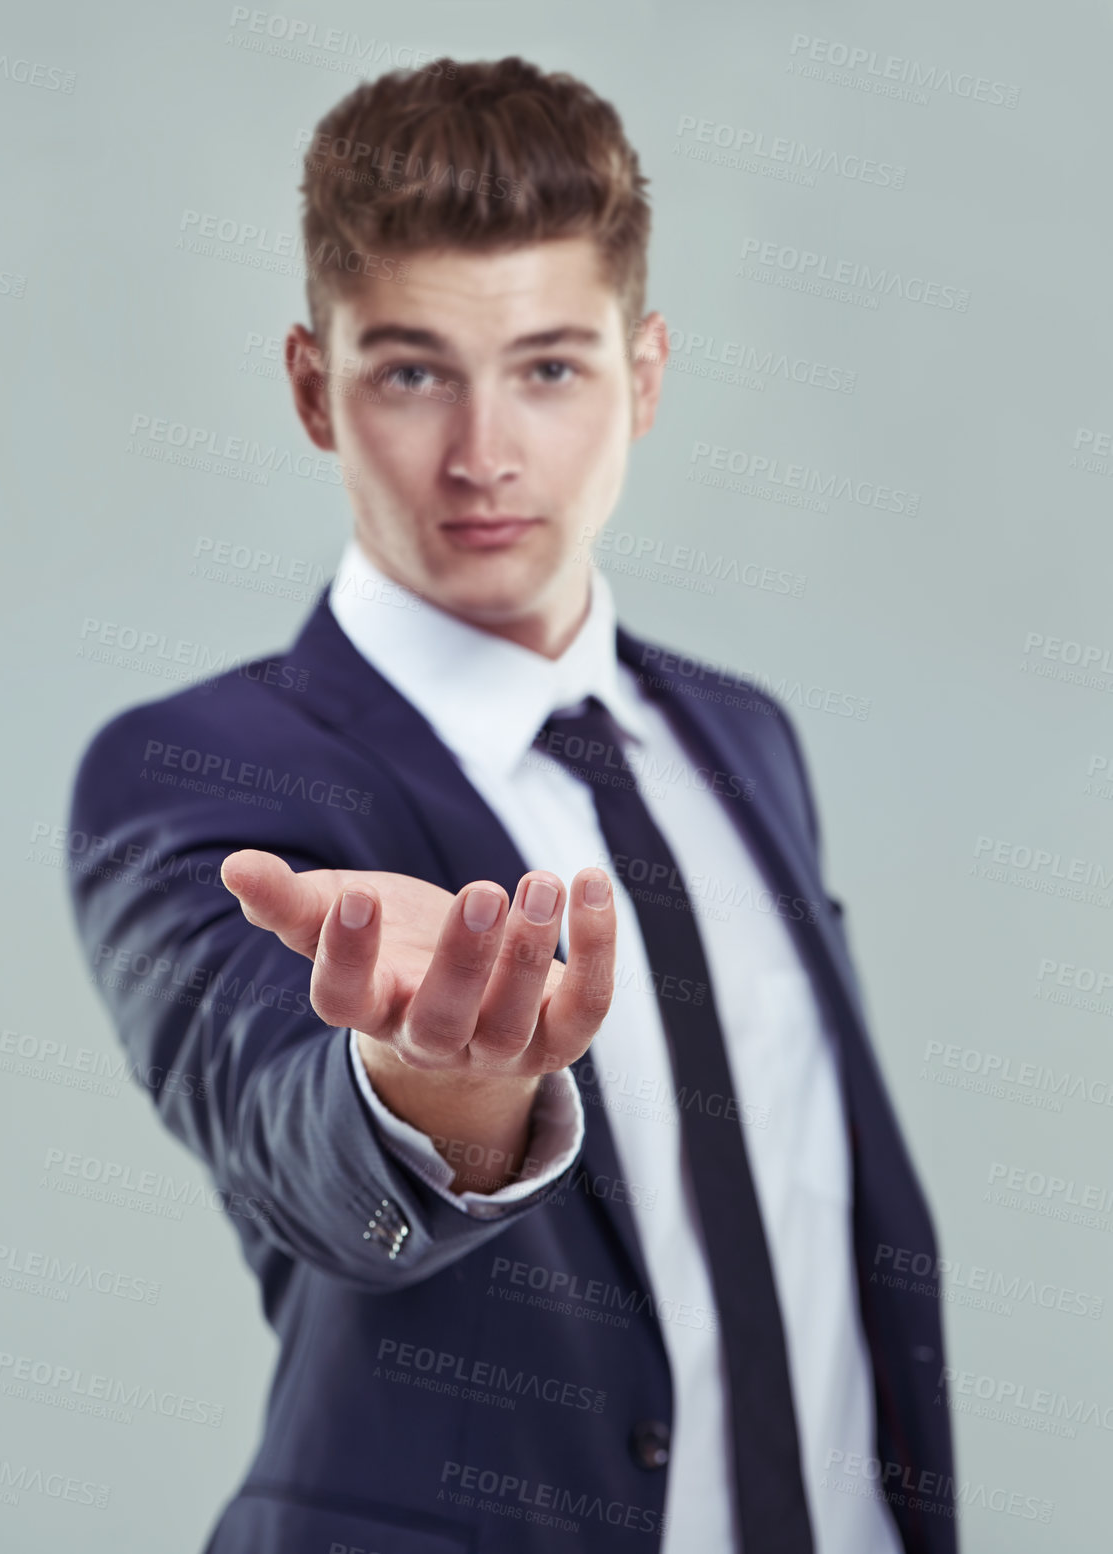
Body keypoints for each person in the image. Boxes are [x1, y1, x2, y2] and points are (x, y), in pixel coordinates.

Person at [66, 56, 955, 1554]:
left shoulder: (744, 740)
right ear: (311, 387)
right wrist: (439, 1090)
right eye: (412, 370)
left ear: (645, 376)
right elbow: (279, 1120)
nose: (483, 454)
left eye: (549, 366)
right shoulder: (191, 770)